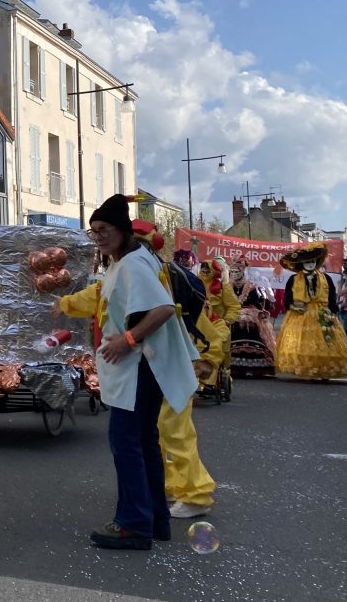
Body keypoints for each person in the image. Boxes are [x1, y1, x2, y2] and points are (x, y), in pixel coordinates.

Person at [64, 194, 198, 550]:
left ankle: (134, 524)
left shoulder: (133, 264)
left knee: (125, 442)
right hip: (143, 366)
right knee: (143, 441)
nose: (98, 237)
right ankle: (154, 520)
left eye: (104, 230)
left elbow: (163, 308)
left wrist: (127, 339)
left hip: (140, 365)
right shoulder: (129, 260)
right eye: (94, 231)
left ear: (122, 230)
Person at [275, 242, 347, 380]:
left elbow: (331, 297)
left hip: (322, 313)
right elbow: (287, 298)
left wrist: (332, 311)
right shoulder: (294, 279)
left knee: (326, 342)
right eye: (307, 262)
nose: (310, 264)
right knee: (302, 343)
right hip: (300, 314)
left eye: (312, 261)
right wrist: (293, 305)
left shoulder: (326, 278)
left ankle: (325, 369)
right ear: (302, 264)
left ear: (316, 262)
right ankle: (307, 368)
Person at [229, 256, 277, 376]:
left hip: (250, 312)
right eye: (232, 272)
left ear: (242, 272)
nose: (235, 274)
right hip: (232, 312)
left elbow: (257, 304)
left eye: (237, 272)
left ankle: (252, 366)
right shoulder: (227, 287)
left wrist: (258, 310)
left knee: (247, 322)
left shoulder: (251, 287)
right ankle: (233, 364)